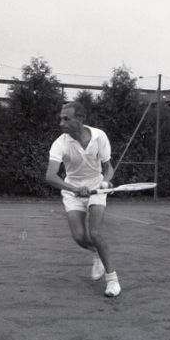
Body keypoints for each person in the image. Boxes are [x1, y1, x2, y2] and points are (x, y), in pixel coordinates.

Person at [45, 101, 121, 297]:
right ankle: (97, 253)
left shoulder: (99, 136)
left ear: (80, 119)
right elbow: (50, 176)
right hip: (72, 189)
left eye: (66, 119)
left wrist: (105, 182)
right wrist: (75, 189)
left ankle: (112, 280)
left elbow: (108, 168)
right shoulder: (60, 143)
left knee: (94, 233)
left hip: (96, 186)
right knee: (79, 237)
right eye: (60, 119)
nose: (61, 123)